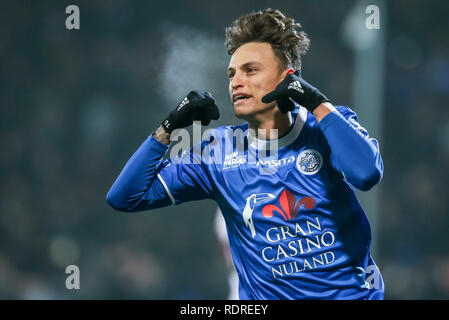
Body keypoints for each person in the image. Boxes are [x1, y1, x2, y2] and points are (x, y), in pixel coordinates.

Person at [106, 8, 385, 299]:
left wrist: (317, 102)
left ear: (286, 78)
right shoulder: (216, 152)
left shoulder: (327, 126)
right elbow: (125, 196)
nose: (236, 82)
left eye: (250, 70)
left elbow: (366, 174)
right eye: (232, 74)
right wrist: (169, 126)